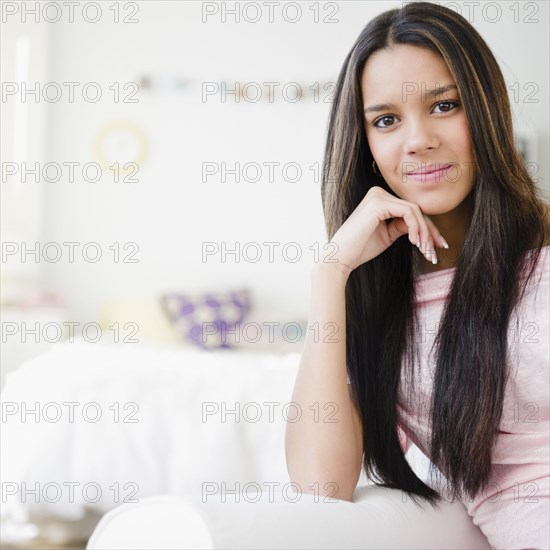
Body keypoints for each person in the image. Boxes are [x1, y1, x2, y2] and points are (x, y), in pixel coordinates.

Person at [285, 1, 550, 549]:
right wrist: (329, 275)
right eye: (385, 120)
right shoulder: (378, 305)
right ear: (366, 145)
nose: (417, 139)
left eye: (445, 105)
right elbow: (319, 485)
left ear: (486, 111)